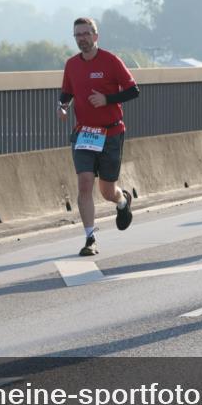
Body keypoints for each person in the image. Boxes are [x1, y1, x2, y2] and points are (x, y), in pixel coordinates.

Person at [58, 17, 138, 256]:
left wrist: (107, 100)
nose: (82, 38)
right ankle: (90, 238)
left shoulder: (111, 61)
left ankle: (122, 200)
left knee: (106, 191)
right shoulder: (72, 65)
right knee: (84, 183)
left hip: (111, 132)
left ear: (95, 35)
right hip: (84, 133)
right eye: (77, 35)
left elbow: (134, 90)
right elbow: (66, 94)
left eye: (86, 33)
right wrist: (61, 106)